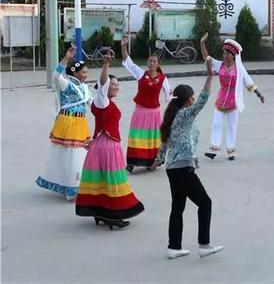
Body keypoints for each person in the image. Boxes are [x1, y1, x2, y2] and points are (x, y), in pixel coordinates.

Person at [152, 57, 224, 260]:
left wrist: (159, 159)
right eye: (191, 97)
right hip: (183, 168)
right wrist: (209, 76)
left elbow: (165, 143)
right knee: (205, 203)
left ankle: (174, 247)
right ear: (187, 100)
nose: (194, 100)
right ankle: (204, 245)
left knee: (178, 207)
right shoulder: (184, 115)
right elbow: (202, 101)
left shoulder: (172, 116)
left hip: (173, 168)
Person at [76, 54, 144, 229]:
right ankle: (113, 215)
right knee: (113, 180)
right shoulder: (102, 100)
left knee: (103, 180)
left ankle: (101, 213)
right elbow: (102, 82)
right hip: (107, 146)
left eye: (117, 84)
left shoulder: (101, 102)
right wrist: (106, 64)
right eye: (113, 84)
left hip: (101, 144)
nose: (116, 87)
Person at [36, 45, 91, 201]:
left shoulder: (84, 88)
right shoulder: (67, 84)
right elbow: (56, 76)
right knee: (70, 155)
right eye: (83, 72)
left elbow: (92, 103)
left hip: (81, 123)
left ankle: (78, 184)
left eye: (86, 72)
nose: (86, 75)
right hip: (68, 123)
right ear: (75, 72)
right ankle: (70, 187)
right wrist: (66, 58)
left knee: (80, 155)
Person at [200, 34, 265, 161]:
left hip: (234, 99)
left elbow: (248, 81)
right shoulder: (219, 65)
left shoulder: (239, 69)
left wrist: (259, 94)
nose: (225, 55)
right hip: (221, 98)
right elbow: (206, 58)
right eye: (224, 53)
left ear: (233, 55)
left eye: (227, 53)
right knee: (216, 123)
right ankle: (214, 149)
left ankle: (231, 152)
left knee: (231, 126)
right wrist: (202, 43)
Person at [121, 36, 172, 172]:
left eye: (154, 61)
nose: (151, 64)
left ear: (158, 64)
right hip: (140, 112)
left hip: (154, 114)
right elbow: (129, 63)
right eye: (150, 61)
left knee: (152, 138)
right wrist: (123, 46)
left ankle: (151, 162)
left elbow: (170, 95)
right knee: (136, 136)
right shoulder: (141, 74)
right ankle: (132, 162)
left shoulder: (163, 78)